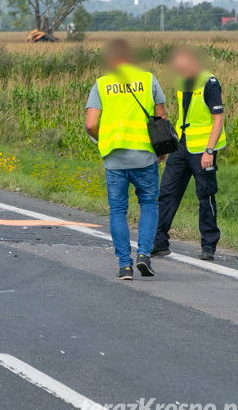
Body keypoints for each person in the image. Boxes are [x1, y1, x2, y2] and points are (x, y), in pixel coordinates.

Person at [84, 39, 167, 280]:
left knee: (118, 210)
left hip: (115, 159)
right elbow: (160, 116)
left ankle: (125, 266)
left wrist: (103, 140)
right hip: (144, 156)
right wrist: (161, 150)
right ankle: (143, 254)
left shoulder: (101, 84)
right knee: (149, 204)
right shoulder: (149, 79)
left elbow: (90, 124)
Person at [152, 46, 226, 261]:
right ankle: (159, 243)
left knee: (206, 195)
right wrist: (166, 148)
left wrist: (209, 151)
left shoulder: (209, 83)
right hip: (181, 146)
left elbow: (218, 119)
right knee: (167, 192)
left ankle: (209, 245)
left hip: (203, 149)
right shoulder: (182, 81)